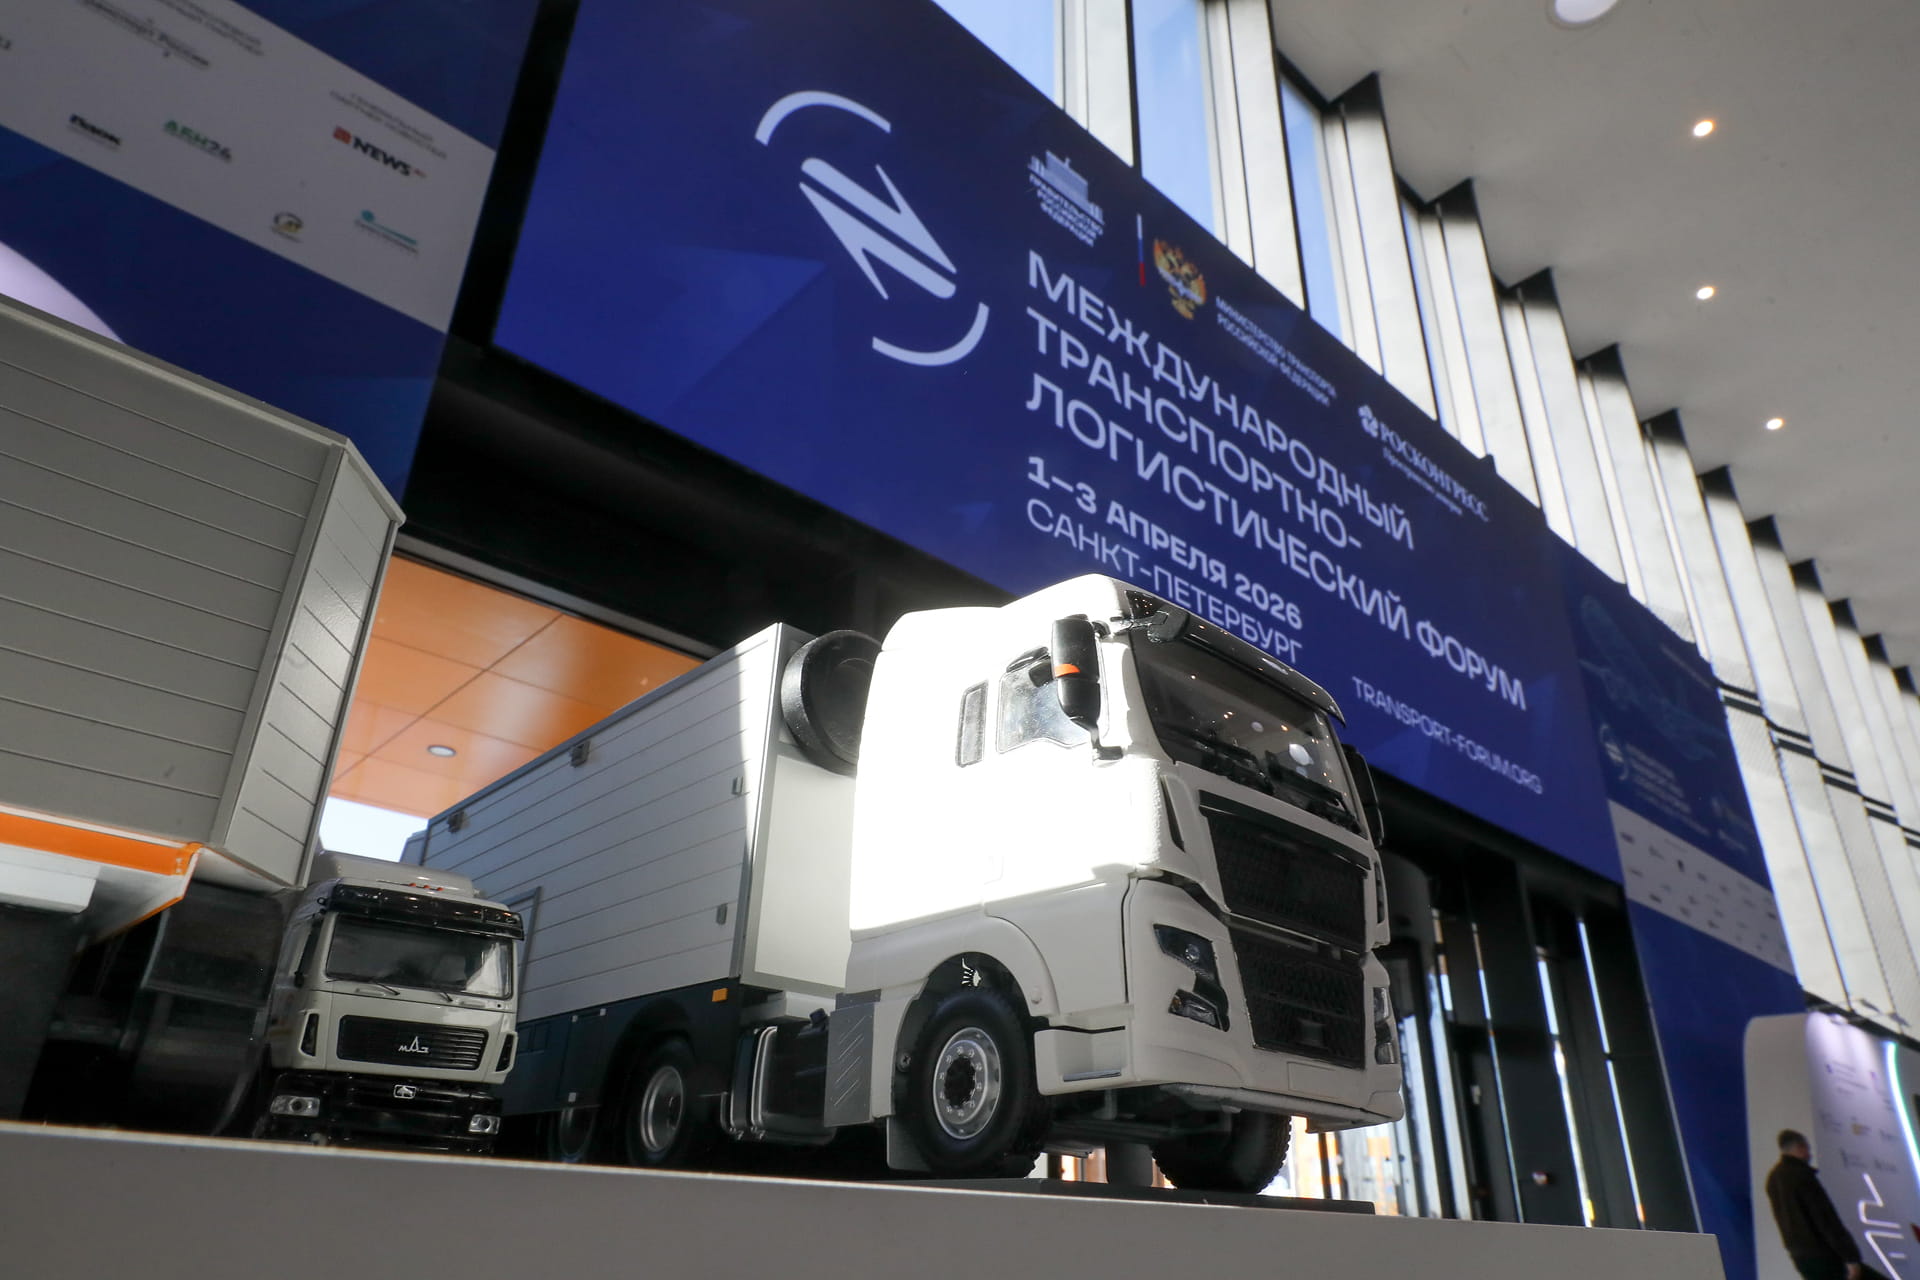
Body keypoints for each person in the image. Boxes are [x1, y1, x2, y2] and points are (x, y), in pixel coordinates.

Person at [1766, 1129, 1863, 1280]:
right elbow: (1825, 1219)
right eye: (1807, 1149)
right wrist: (1850, 1256)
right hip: (1824, 1254)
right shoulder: (1802, 1176)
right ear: (1800, 1147)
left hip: (1799, 1255)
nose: (1810, 1154)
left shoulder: (1773, 1178)